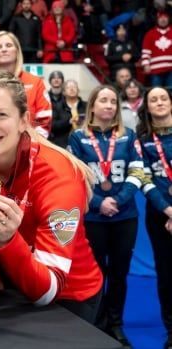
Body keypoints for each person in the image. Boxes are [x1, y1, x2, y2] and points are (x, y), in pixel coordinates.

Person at [0, 69, 103, 323]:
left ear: (24, 120)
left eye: (1, 114)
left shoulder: (59, 176)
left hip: (68, 294)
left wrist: (8, 240)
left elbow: (48, 290)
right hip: (11, 285)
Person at [68, 85, 144, 347]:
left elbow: (138, 172)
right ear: (92, 105)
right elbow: (76, 177)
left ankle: (116, 324)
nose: (109, 105)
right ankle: (97, 324)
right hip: (94, 218)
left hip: (125, 217)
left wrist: (118, 201)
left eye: (113, 101)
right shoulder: (78, 137)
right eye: (104, 100)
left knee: (120, 274)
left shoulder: (129, 135)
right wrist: (100, 202)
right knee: (97, 272)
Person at [137, 86, 172, 349]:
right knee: (166, 273)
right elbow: (145, 178)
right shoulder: (142, 140)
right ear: (147, 107)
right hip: (160, 216)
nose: (159, 102)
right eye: (153, 100)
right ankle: (171, 329)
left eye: (163, 98)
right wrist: (168, 211)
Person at [0, 31, 52, 137]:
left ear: (17, 51)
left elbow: (44, 120)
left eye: (8, 45)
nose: (4, 49)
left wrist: (31, 145)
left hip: (30, 145)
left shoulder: (35, 82)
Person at [50, 79, 85, 148]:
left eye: (74, 87)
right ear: (64, 92)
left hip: (84, 142)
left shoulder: (86, 106)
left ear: (78, 90)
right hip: (63, 143)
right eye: (68, 87)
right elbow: (52, 126)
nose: (72, 89)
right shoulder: (57, 107)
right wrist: (68, 122)